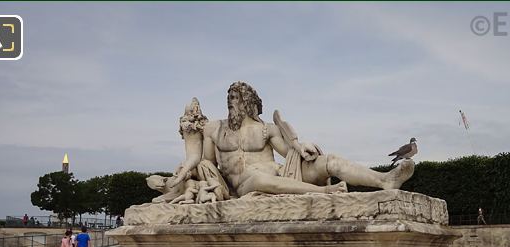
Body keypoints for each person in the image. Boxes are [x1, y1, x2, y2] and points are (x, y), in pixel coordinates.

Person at [168, 81, 415, 198]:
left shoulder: (268, 129)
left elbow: (290, 153)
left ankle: (384, 180)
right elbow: (207, 165)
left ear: (251, 103)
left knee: (330, 161)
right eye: (231, 97)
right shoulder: (214, 129)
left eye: (238, 97)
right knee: (261, 178)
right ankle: (325, 191)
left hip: (282, 174)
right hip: (244, 183)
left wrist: (301, 146)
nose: (233, 101)